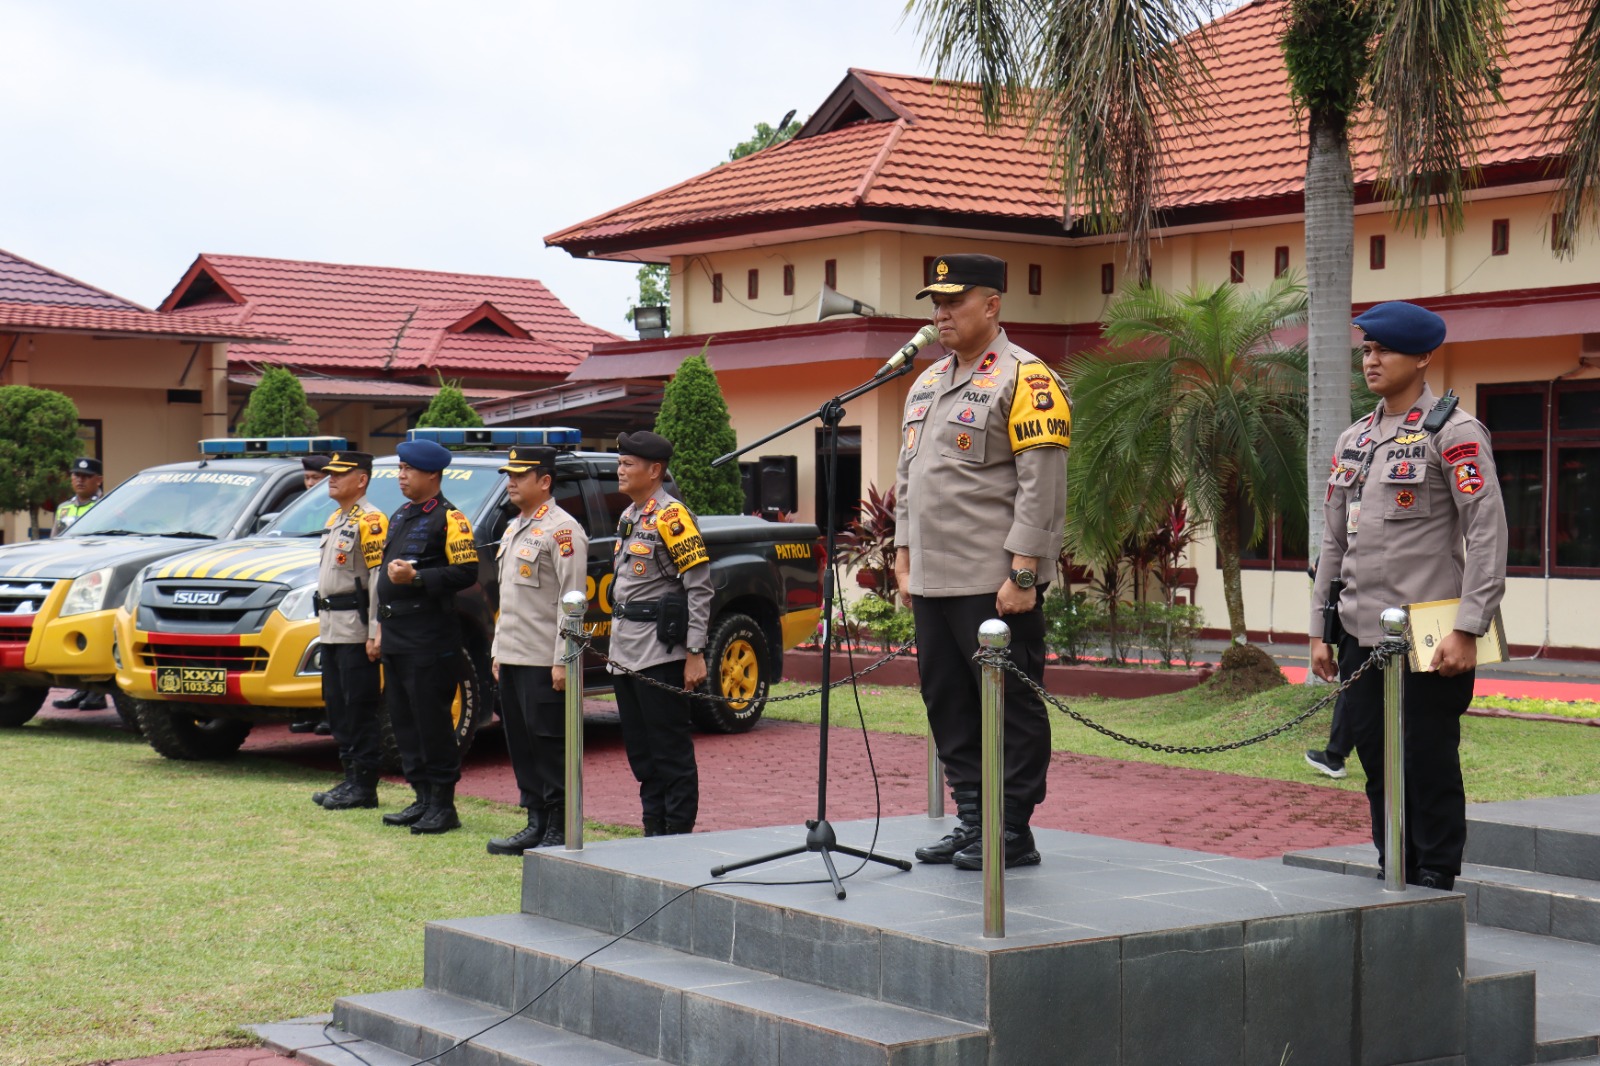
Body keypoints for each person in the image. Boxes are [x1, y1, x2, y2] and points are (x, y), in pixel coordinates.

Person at [1309, 301, 1508, 891]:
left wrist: (1470, 627)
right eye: (1367, 350)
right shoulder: (1355, 439)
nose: (1371, 360)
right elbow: (1333, 540)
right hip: (1362, 635)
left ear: (1423, 357)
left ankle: (1435, 874)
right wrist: (1321, 629)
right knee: (1375, 761)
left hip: (1431, 634)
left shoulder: (1454, 433)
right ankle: (1390, 861)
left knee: (1426, 761)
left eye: (1384, 350)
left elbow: (1487, 531)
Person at [893, 253, 1071, 870]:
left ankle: (1012, 828)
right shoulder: (925, 383)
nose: (940, 314)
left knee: (1011, 709)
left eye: (954, 302)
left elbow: (1041, 484)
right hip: (933, 581)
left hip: (994, 585)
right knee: (946, 701)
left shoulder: (1027, 380)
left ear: (991, 305)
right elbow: (909, 478)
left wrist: (1024, 573)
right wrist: (902, 555)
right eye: (935, 304)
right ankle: (973, 818)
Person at [608, 430, 712, 836]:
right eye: (620, 462)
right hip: (625, 651)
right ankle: (653, 832)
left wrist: (696, 651)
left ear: (654, 471)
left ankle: (676, 839)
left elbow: (699, 586)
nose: (620, 469)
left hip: (660, 652)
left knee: (670, 754)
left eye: (628, 464)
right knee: (642, 754)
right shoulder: (629, 515)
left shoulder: (673, 516)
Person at [487, 446, 589, 854]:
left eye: (519, 475)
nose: (510, 481)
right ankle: (535, 821)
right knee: (522, 745)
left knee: (549, 744)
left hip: (544, 662)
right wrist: (497, 650)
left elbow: (573, 601)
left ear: (544, 481)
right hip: (513, 656)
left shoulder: (563, 531)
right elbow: (508, 598)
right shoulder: (516, 527)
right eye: (509, 475)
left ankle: (559, 826)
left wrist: (564, 660)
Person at [375, 439, 480, 835]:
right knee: (404, 719)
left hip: (429, 634)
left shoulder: (450, 519)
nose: (401, 476)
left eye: (408, 470)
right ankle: (421, 797)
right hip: (397, 632)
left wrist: (418, 578)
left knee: (432, 720)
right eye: (400, 469)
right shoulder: (401, 514)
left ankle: (443, 805)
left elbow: (466, 573)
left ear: (432, 475)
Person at [307, 451, 387, 811]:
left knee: (359, 707)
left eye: (340, 473)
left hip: (356, 629)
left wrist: (375, 631)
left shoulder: (371, 521)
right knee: (338, 707)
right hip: (331, 628)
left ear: (362, 479)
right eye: (330, 473)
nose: (331, 478)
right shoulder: (336, 517)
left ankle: (364, 784)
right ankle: (350, 777)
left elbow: (377, 580)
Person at [52, 456, 107, 711]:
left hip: (93, 578)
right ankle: (80, 689)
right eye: (76, 475)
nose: (79, 480)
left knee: (90, 634)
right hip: (67, 576)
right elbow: (54, 540)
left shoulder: (107, 506)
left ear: (99, 480)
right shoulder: (64, 508)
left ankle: (96, 693)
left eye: (85, 476)